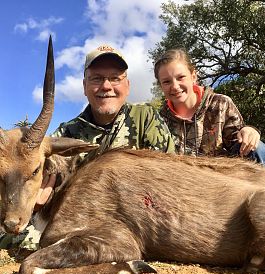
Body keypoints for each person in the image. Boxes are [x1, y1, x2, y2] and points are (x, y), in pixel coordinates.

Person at [0, 44, 175, 251]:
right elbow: (30, 172)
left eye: (115, 78)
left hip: (147, 220)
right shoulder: (67, 132)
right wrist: (37, 203)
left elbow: (173, 180)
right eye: (97, 78)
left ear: (127, 85)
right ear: (84, 86)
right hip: (95, 228)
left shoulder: (147, 119)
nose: (106, 86)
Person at [154, 49, 265, 168]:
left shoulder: (221, 103)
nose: (175, 86)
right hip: (179, 182)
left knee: (257, 148)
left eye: (180, 77)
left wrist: (249, 131)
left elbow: (238, 140)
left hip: (221, 178)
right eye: (167, 82)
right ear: (161, 86)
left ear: (193, 76)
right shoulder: (158, 120)